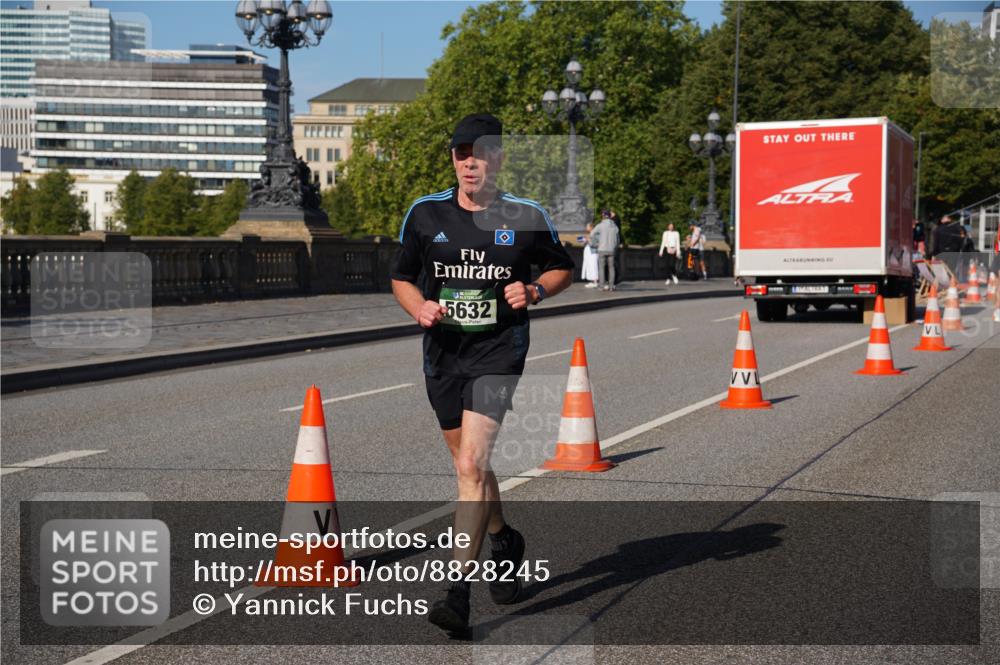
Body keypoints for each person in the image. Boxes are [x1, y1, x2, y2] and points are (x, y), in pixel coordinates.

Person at [389, 113, 574, 636]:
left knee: (470, 464)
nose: (470, 161)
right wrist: (418, 307)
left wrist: (536, 290)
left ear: (498, 158)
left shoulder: (525, 214)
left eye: (481, 152)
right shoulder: (425, 215)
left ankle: (457, 595)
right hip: (443, 354)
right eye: (461, 152)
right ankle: (503, 539)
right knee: (469, 466)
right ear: (453, 159)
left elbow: (563, 267)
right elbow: (401, 277)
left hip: (499, 351)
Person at [591, 209, 620, 291]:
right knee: (611, 268)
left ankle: (601, 286)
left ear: (603, 216)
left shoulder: (600, 225)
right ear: (610, 216)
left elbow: (591, 234)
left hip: (602, 249)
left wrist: (595, 244)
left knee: (601, 268)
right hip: (612, 250)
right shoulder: (615, 226)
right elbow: (618, 240)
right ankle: (611, 286)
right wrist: (615, 247)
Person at [581, 222, 599, 287]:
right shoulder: (588, 234)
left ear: (591, 227)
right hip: (588, 252)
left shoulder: (596, 234)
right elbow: (581, 243)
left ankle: (595, 281)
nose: (586, 228)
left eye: (587, 227)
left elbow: (596, 244)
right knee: (588, 266)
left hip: (593, 252)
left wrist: (588, 239)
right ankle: (591, 281)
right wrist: (583, 240)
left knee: (593, 266)